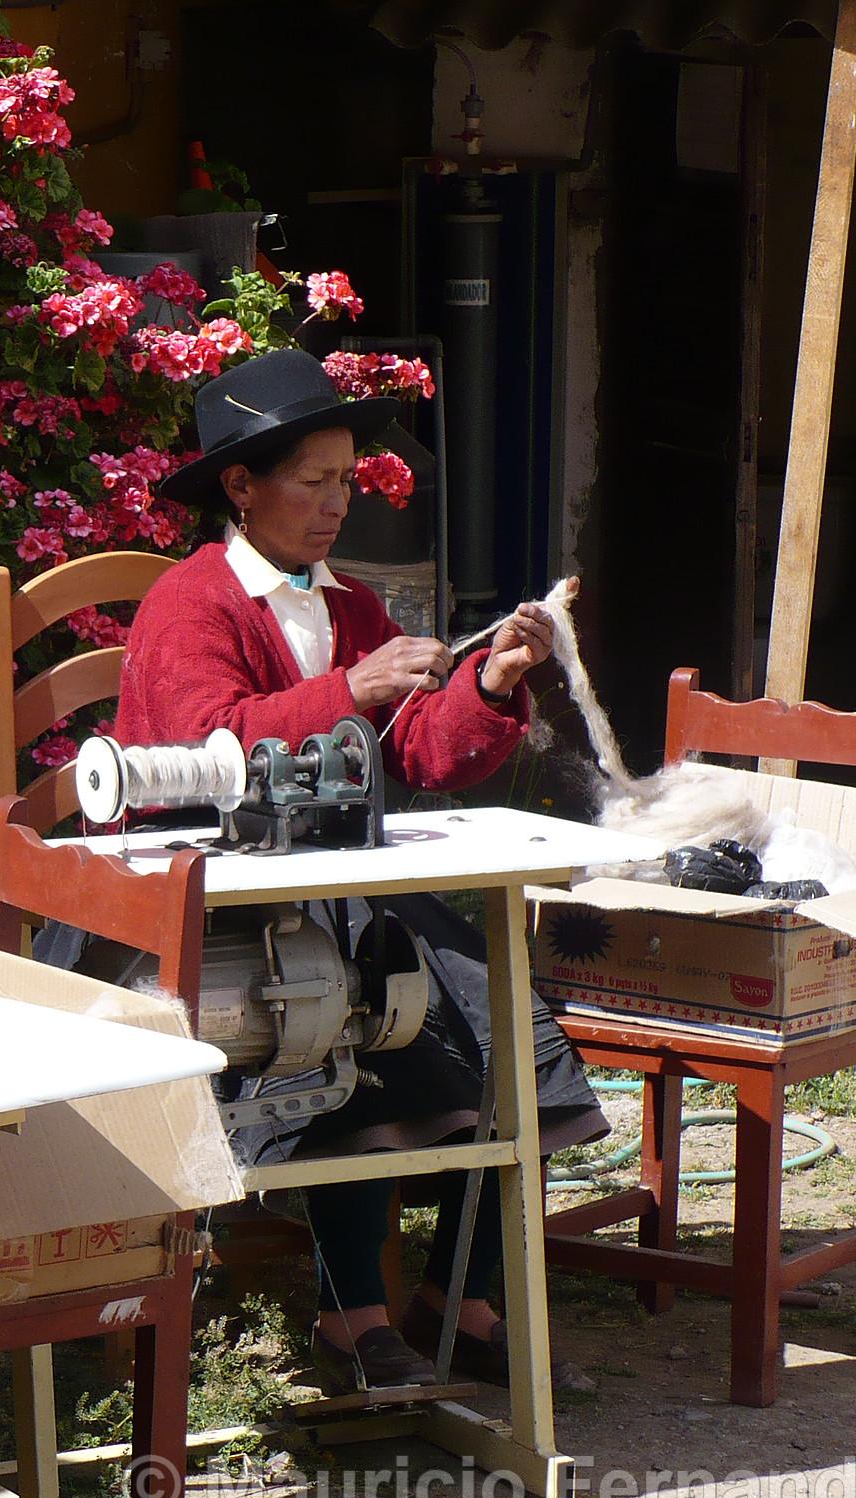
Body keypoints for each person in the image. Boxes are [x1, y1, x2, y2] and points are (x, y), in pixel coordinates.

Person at [115, 348, 607, 1396]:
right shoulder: (187, 605)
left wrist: (489, 678)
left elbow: (423, 749)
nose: (337, 503)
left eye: (347, 479)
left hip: (336, 894)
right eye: (313, 480)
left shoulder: (346, 607)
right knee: (341, 1012)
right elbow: (202, 750)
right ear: (238, 488)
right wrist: (349, 687)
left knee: (500, 1025)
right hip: (210, 917)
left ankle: (458, 1301)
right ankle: (352, 1316)